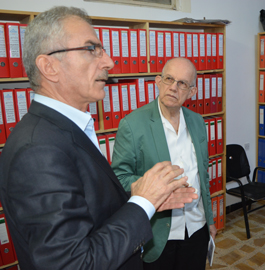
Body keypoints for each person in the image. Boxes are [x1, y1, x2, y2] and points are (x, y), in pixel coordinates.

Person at [0, 6, 198, 270]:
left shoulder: (68, 129)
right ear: (49, 66)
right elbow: (73, 264)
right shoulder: (37, 151)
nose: (109, 62)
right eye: (91, 49)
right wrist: (143, 202)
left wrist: (137, 199)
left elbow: (93, 216)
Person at [111, 57, 216, 270]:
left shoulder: (197, 122)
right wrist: (157, 190)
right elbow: (119, 178)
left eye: (182, 83)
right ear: (158, 81)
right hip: (157, 234)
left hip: (196, 227)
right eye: (169, 79)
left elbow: (202, 176)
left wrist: (210, 220)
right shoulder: (132, 124)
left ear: (192, 92)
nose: (173, 88)